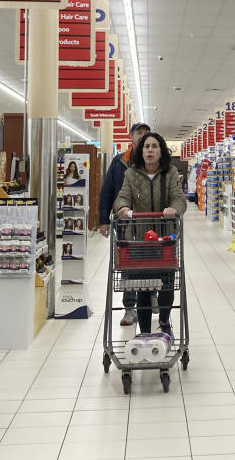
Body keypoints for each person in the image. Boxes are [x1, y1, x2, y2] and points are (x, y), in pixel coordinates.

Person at [114, 132, 187, 339]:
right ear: (141, 150)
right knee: (143, 288)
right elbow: (122, 196)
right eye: (146, 146)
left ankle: (164, 320)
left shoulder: (170, 172)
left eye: (154, 146)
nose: (150, 150)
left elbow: (179, 199)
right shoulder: (131, 174)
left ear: (161, 151)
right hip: (139, 239)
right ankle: (144, 333)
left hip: (165, 240)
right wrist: (123, 207)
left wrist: (173, 209)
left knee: (166, 285)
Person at [97, 122, 151, 326]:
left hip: (150, 222)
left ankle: (151, 294)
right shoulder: (119, 162)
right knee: (128, 265)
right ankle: (130, 308)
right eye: (139, 133)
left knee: (151, 261)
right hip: (125, 224)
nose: (143, 136)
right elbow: (107, 191)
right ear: (131, 137)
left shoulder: (155, 161)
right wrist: (103, 220)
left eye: (146, 133)